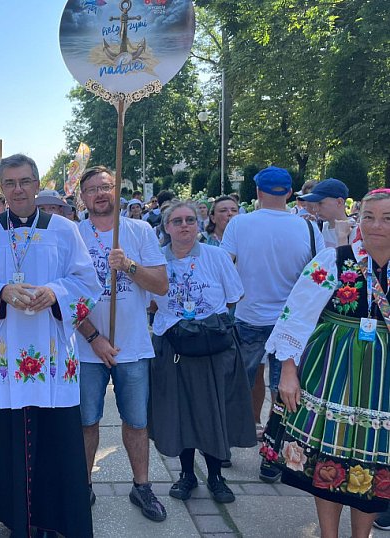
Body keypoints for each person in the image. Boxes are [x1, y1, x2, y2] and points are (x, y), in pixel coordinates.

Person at [0, 154, 103, 538]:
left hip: (51, 354)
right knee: (7, 437)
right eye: (10, 183)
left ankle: (54, 517)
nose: (18, 190)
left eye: (25, 182)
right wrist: (0, 291)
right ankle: (14, 517)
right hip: (4, 356)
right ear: (0, 189)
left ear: (38, 185)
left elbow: (88, 283)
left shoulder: (64, 230)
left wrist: (56, 293)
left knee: (55, 436)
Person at [260, 189, 390, 538]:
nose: (376, 225)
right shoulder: (334, 261)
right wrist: (288, 370)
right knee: (327, 460)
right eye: (369, 216)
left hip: (383, 383)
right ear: (357, 219)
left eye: (387, 218)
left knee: (375, 464)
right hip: (332, 372)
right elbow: (296, 317)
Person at [142, 201, 255, 504]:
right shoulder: (154, 263)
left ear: (198, 223)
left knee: (212, 411)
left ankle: (216, 476)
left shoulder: (216, 256)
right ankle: (186, 475)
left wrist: (212, 325)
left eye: (190, 220)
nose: (184, 226)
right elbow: (149, 304)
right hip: (174, 346)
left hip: (211, 346)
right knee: (180, 412)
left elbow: (235, 295)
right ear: (166, 227)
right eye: (176, 221)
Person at [75, 166, 170, 521]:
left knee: (136, 421)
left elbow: (160, 285)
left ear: (117, 191)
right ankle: (82, 487)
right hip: (86, 349)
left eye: (106, 187)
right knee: (86, 421)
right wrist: (95, 338)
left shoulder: (140, 230)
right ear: (82, 197)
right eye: (92, 189)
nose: (100, 194)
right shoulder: (74, 234)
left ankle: (142, 486)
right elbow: (66, 298)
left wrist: (128, 265)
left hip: (132, 346)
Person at [220, 166, 325, 484]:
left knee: (238, 385)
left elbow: (226, 268)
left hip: (249, 317)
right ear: (290, 194)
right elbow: (320, 275)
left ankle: (225, 445)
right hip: (290, 324)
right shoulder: (308, 229)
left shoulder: (239, 223)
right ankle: (272, 455)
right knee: (285, 394)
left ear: (258, 192)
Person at [300, 178, 357, 248]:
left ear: (339, 202)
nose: (315, 209)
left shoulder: (356, 233)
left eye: (320, 203)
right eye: (315, 204)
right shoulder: (321, 228)